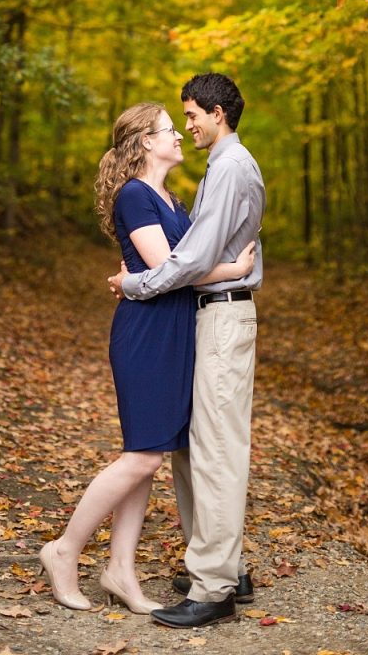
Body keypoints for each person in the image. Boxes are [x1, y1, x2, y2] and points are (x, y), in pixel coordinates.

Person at [38, 101, 255, 614]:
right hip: (147, 335)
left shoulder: (171, 199)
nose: (179, 134)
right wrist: (233, 270)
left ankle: (120, 570)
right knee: (141, 456)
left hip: (177, 333)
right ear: (143, 143)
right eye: (167, 129)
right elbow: (170, 268)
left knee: (149, 456)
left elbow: (180, 263)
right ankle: (64, 550)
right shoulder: (134, 196)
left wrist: (215, 267)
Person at [108, 73, 265, 629]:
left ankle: (216, 586)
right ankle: (223, 565)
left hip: (222, 315)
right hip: (207, 316)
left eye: (192, 116)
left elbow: (190, 263)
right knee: (194, 449)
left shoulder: (228, 169)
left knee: (216, 450)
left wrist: (133, 285)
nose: (188, 127)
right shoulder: (217, 169)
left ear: (217, 113)